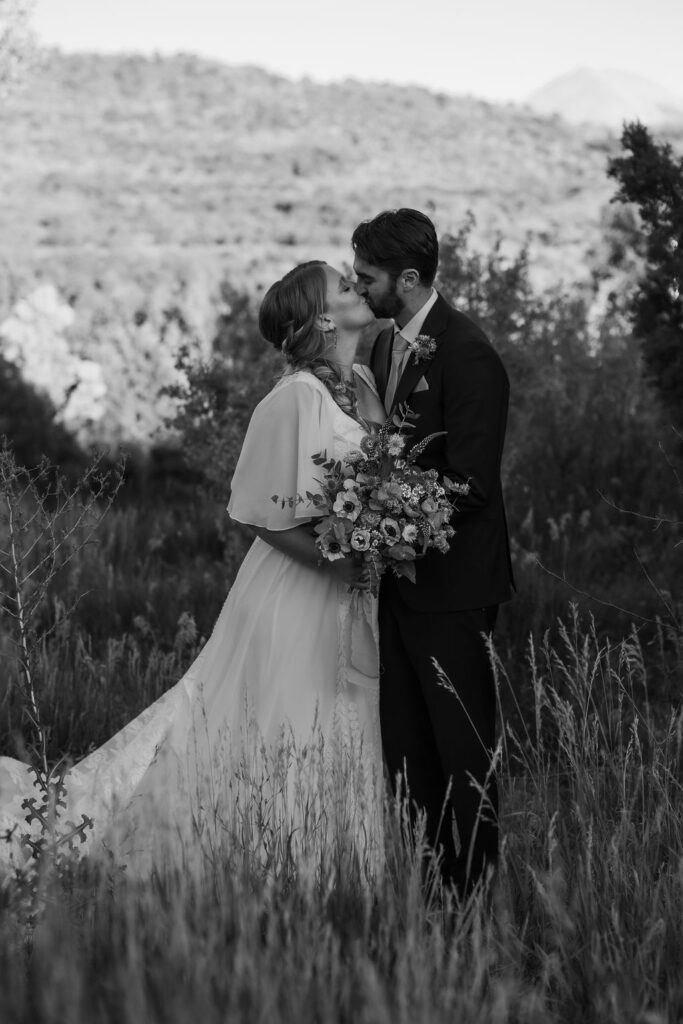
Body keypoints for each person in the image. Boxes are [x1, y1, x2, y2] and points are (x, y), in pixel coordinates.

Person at [0, 262, 387, 878]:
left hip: (357, 588)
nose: (358, 289)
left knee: (347, 715)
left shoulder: (363, 381)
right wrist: (338, 562)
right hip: (301, 586)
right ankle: (269, 861)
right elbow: (259, 514)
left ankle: (346, 865)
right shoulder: (292, 398)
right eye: (344, 285)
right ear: (320, 317)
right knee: (288, 715)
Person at [352, 208, 514, 894]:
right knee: (406, 752)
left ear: (409, 279)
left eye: (367, 278)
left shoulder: (470, 356)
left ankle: (473, 897)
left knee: (462, 751)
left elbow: (472, 485)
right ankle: (426, 886)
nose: (358, 289)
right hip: (394, 585)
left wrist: (382, 513)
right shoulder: (386, 347)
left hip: (452, 589)